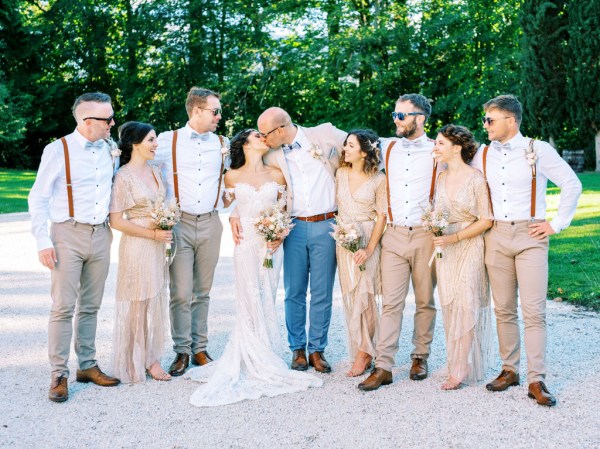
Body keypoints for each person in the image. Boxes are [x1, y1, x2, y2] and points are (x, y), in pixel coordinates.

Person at [185, 129, 322, 406]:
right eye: (257, 136)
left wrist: (280, 233)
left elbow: (285, 208)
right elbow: (223, 205)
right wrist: (234, 216)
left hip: (272, 243)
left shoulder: (276, 173)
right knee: (248, 296)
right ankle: (249, 354)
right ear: (245, 145)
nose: (264, 138)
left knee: (267, 294)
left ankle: (267, 350)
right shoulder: (232, 176)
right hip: (246, 241)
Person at [472, 94, 582, 406]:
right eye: (485, 120)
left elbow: (571, 184)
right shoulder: (481, 154)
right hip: (496, 236)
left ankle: (537, 379)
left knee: (534, 311)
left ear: (511, 120)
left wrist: (556, 224)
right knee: (503, 308)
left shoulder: (538, 149)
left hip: (530, 234)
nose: (485, 125)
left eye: (490, 120)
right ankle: (510, 370)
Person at [230, 108, 347, 373]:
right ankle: (298, 350)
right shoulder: (270, 152)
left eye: (264, 133)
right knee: (293, 292)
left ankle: (317, 350)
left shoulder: (324, 134)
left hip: (327, 224)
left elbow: (362, 147)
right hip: (292, 228)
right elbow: (252, 185)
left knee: (322, 291)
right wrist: (236, 213)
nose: (262, 137)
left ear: (279, 129)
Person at [28, 92, 121, 402]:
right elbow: (38, 197)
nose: (113, 123)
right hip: (66, 233)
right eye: (108, 119)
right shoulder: (58, 150)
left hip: (101, 234)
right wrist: (43, 240)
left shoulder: (110, 148)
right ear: (88, 121)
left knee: (91, 306)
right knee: (63, 307)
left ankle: (87, 365)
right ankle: (59, 373)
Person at [358, 93, 437, 391]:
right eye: (394, 114)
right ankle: (384, 365)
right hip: (392, 234)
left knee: (425, 301)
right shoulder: (388, 146)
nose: (395, 120)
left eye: (401, 116)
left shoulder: (437, 150)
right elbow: (345, 141)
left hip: (425, 234)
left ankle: (420, 356)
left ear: (420, 118)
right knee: (390, 302)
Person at [154, 87, 228, 376]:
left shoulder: (223, 142)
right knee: (180, 292)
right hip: (179, 223)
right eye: (215, 111)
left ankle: (200, 348)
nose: (219, 116)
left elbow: (235, 175)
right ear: (196, 111)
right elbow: (145, 171)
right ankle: (181, 350)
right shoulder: (166, 140)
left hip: (211, 222)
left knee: (203, 291)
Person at [430, 124, 494, 390]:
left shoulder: (476, 179)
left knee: (467, 302)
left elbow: (487, 219)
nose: (435, 147)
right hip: (445, 249)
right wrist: (434, 226)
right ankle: (455, 358)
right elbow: (436, 213)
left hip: (469, 246)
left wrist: (455, 237)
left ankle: (461, 366)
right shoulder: (441, 178)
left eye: (440, 143)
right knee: (451, 302)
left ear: (457, 147)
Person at [109, 121, 173, 383]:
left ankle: (151, 357)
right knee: (138, 302)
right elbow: (116, 221)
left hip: (158, 244)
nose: (156, 144)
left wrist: (167, 220)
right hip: (138, 244)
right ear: (135, 144)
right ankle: (136, 359)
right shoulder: (123, 176)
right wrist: (152, 233)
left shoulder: (156, 170)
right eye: (151, 140)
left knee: (155, 298)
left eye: (156, 139)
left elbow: (163, 203)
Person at [334, 130, 387, 377]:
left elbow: (382, 216)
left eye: (351, 145)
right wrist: (343, 234)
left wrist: (369, 248)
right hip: (343, 238)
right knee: (351, 293)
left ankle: (366, 351)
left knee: (366, 293)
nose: (345, 149)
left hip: (368, 238)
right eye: (346, 145)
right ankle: (359, 346)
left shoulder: (379, 179)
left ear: (365, 151)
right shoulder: (340, 173)